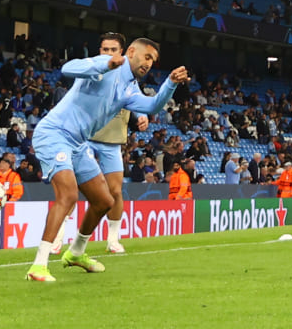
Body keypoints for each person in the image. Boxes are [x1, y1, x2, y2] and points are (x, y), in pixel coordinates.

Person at [25, 38, 186, 283]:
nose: (149, 64)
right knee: (68, 195)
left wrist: (170, 84)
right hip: (54, 133)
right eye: (146, 57)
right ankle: (38, 265)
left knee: (104, 201)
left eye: (152, 60)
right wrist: (105, 66)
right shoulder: (106, 63)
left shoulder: (130, 89)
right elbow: (68, 69)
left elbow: (153, 105)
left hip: (78, 143)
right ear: (131, 51)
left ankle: (76, 253)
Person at [87, 33, 150, 256]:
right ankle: (58, 237)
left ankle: (113, 240)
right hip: (85, 139)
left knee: (115, 191)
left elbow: (139, 102)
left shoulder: (130, 79)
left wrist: (142, 116)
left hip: (112, 143)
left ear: (122, 53)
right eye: (105, 49)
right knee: (72, 189)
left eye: (114, 50)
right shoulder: (93, 72)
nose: (109, 54)